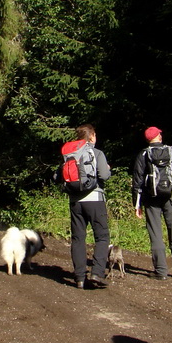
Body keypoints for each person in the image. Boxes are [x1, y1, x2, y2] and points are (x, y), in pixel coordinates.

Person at [132, 126, 172, 280]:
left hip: (151, 199)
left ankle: (161, 271)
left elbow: (137, 182)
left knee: (155, 234)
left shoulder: (143, 154)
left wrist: (137, 205)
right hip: (170, 197)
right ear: (159, 136)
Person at [66, 124, 112, 289]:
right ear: (92, 136)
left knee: (78, 238)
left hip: (75, 201)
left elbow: (58, 175)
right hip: (95, 199)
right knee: (102, 237)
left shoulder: (69, 154)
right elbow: (104, 176)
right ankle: (97, 273)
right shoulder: (97, 153)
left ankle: (79, 278)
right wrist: (108, 169)